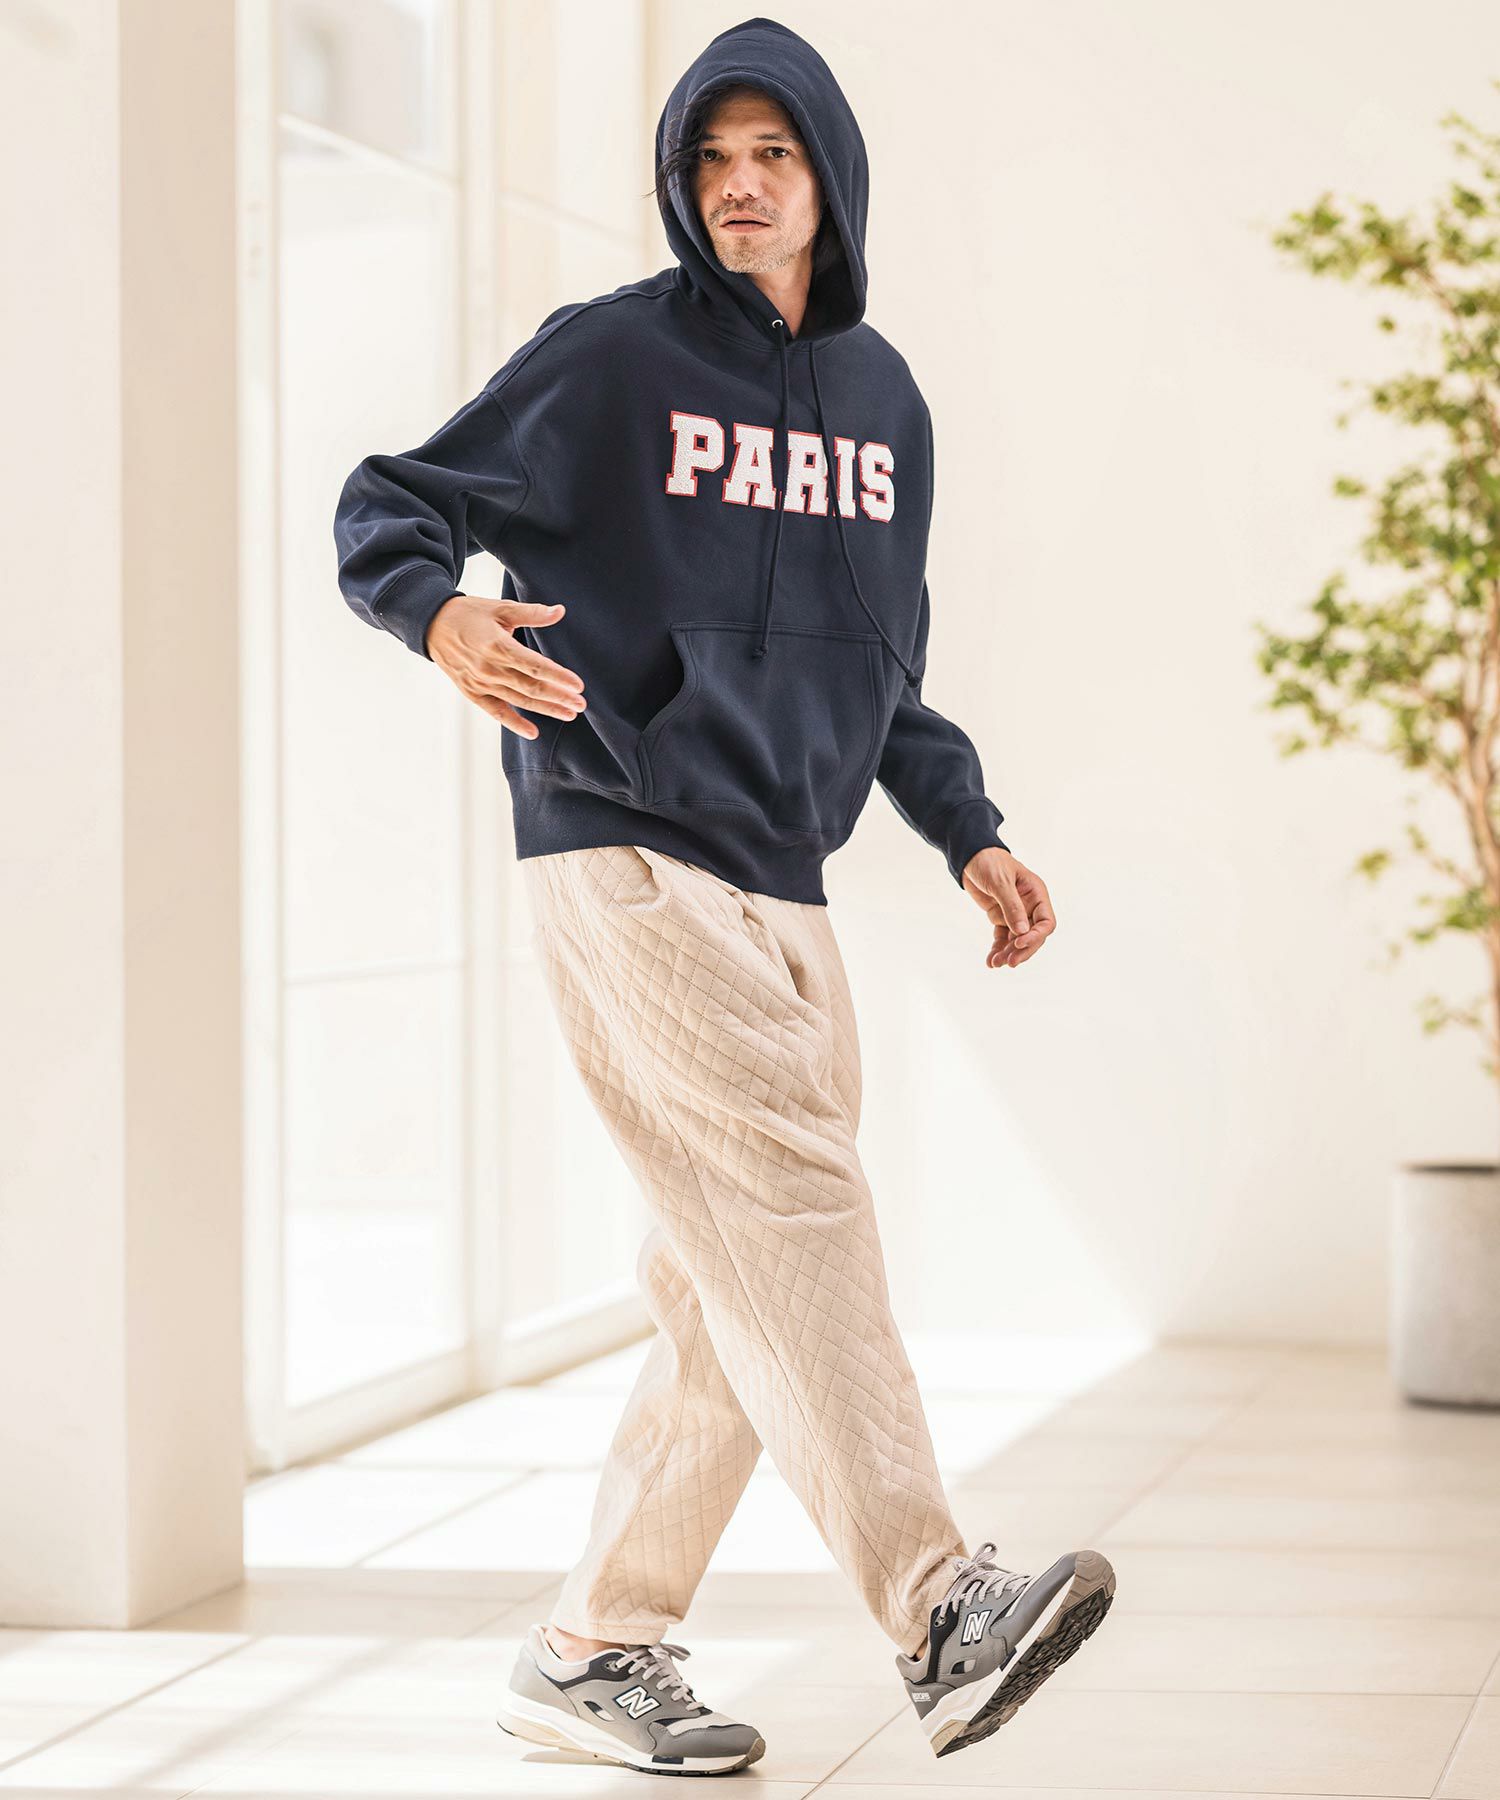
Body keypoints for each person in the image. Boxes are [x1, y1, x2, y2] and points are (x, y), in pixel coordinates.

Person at [333, 14, 1113, 1777]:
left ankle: (589, 1645)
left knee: (730, 1277)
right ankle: (940, 1606)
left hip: (789, 869)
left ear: (831, 174)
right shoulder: (611, 358)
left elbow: (882, 668)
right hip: (618, 832)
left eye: (772, 154)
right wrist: (440, 614)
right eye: (710, 158)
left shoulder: (884, 401)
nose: (739, 186)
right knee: (797, 1214)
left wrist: (967, 829)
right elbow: (391, 501)